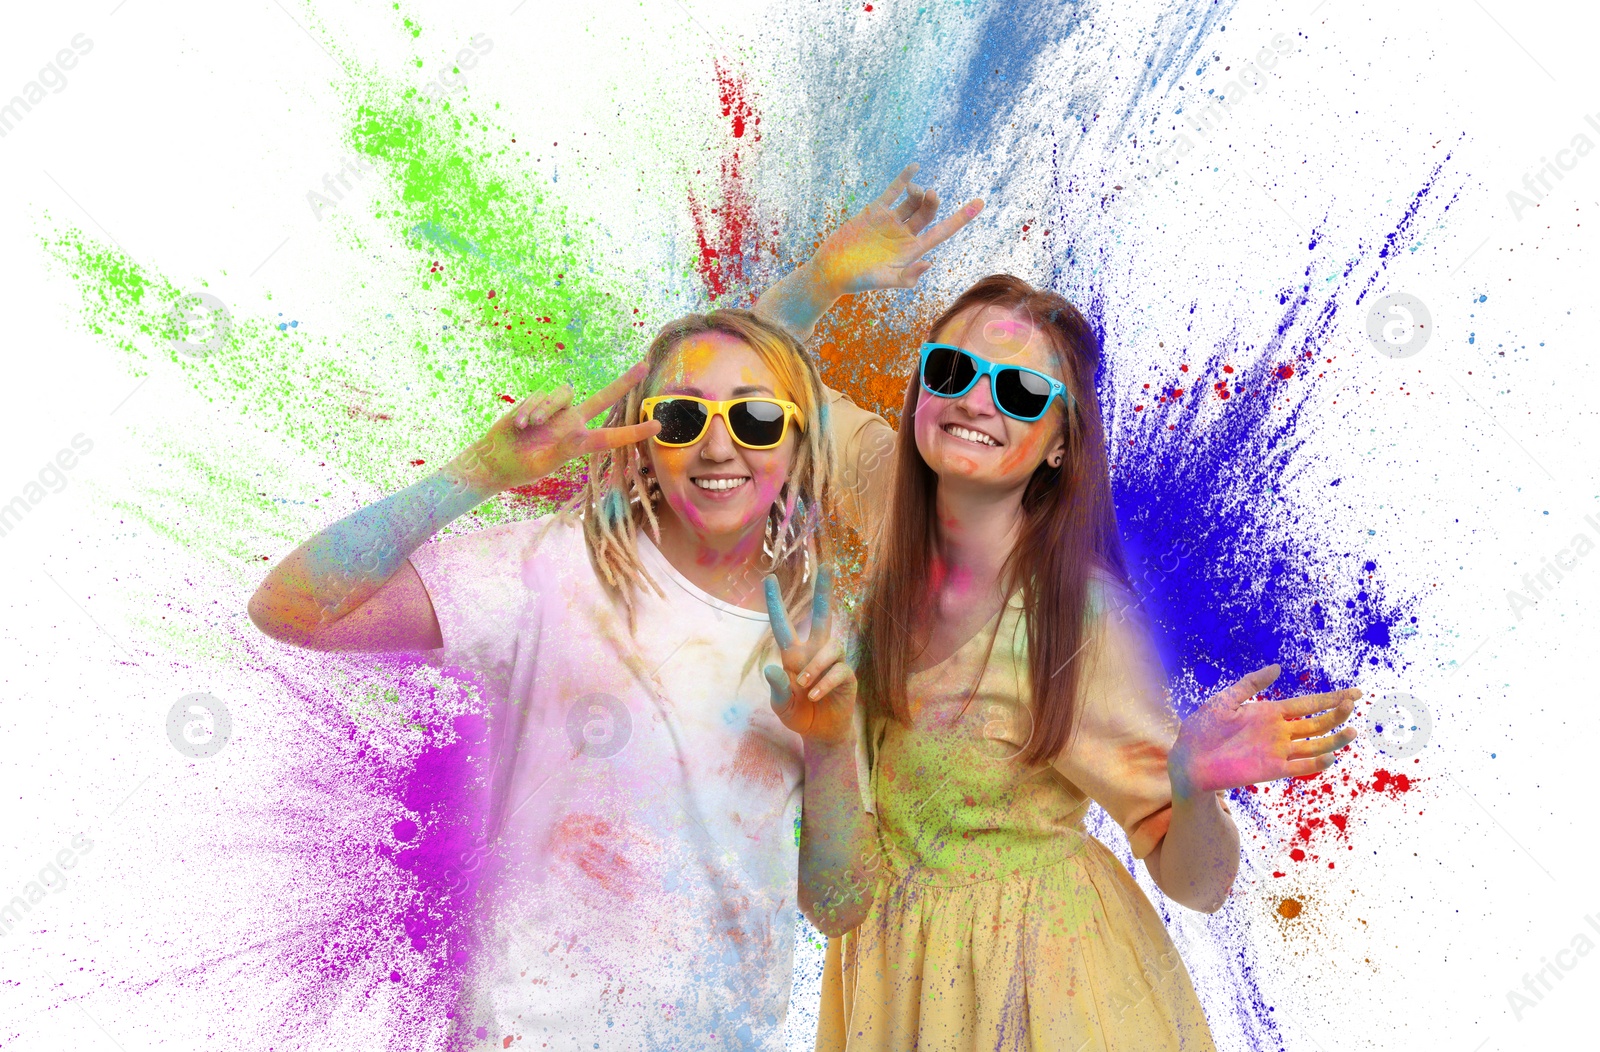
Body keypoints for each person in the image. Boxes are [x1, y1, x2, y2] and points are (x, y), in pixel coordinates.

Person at [753, 171, 1362, 1050]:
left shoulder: (1080, 619)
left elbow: (1197, 883)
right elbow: (744, 383)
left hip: (1052, 991)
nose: (974, 401)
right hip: (901, 980)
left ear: (1062, 442)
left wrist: (1189, 791)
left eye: (1020, 393)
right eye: (953, 370)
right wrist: (824, 278)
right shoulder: (882, 488)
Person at [247, 309, 870, 1049]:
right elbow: (289, 608)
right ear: (642, 443)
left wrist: (830, 743)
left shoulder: (826, 638)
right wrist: (476, 474)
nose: (716, 444)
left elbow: (838, 905)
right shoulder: (548, 568)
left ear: (800, 446)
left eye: (758, 417)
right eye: (679, 417)